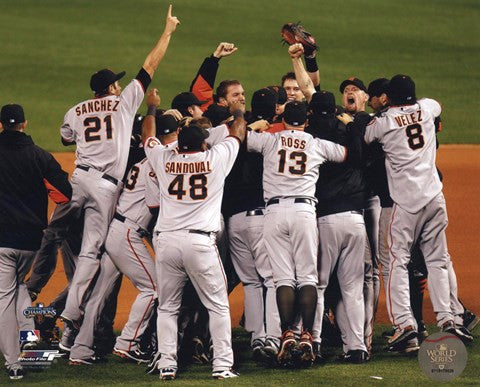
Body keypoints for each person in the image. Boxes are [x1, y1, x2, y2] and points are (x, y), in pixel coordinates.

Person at [59, 4, 180, 330]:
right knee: (91, 250)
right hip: (104, 187)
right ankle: (70, 313)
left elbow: (66, 138)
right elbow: (150, 64)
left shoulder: (75, 110)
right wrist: (167, 31)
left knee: (61, 235)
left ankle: (53, 251)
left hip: (78, 180)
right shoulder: (125, 100)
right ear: (112, 87)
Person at [351, 74, 473, 348]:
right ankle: (450, 320)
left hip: (405, 206)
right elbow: (435, 105)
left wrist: (362, 114)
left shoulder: (384, 122)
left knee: (396, 261)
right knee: (438, 260)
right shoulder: (428, 107)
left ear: (388, 97)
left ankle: (404, 324)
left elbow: (366, 135)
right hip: (434, 198)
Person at [246, 99, 358, 367]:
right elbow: (348, 155)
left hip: (273, 213)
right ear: (306, 121)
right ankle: (307, 335)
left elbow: (237, 138)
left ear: (282, 121)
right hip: (304, 211)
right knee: (307, 277)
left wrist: (256, 126)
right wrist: (351, 126)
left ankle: (286, 335)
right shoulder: (315, 143)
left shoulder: (270, 141)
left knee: (283, 277)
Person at [142, 97, 246, 380]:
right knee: (217, 305)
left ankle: (167, 365)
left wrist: (152, 107)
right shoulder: (214, 159)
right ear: (202, 144)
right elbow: (238, 131)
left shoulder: (164, 159)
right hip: (199, 243)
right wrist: (238, 110)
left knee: (168, 307)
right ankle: (222, 366)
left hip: (166, 242)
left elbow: (148, 135)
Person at [0, 104, 72, 380]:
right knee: (16, 285)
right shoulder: (40, 156)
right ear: (25, 124)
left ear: (2, 124)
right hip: (31, 241)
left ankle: (13, 362)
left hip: (3, 239)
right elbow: (65, 193)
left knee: (4, 297)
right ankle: (28, 334)